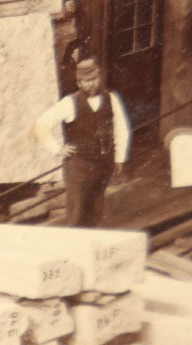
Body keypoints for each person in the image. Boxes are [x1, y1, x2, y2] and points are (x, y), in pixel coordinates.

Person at [34, 57, 132, 227]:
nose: (91, 84)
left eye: (94, 79)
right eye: (87, 81)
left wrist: (120, 159)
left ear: (100, 78)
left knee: (96, 213)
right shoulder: (70, 103)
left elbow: (122, 130)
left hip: (103, 164)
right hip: (79, 166)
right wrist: (57, 149)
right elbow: (41, 125)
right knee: (77, 215)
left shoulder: (111, 99)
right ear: (79, 83)